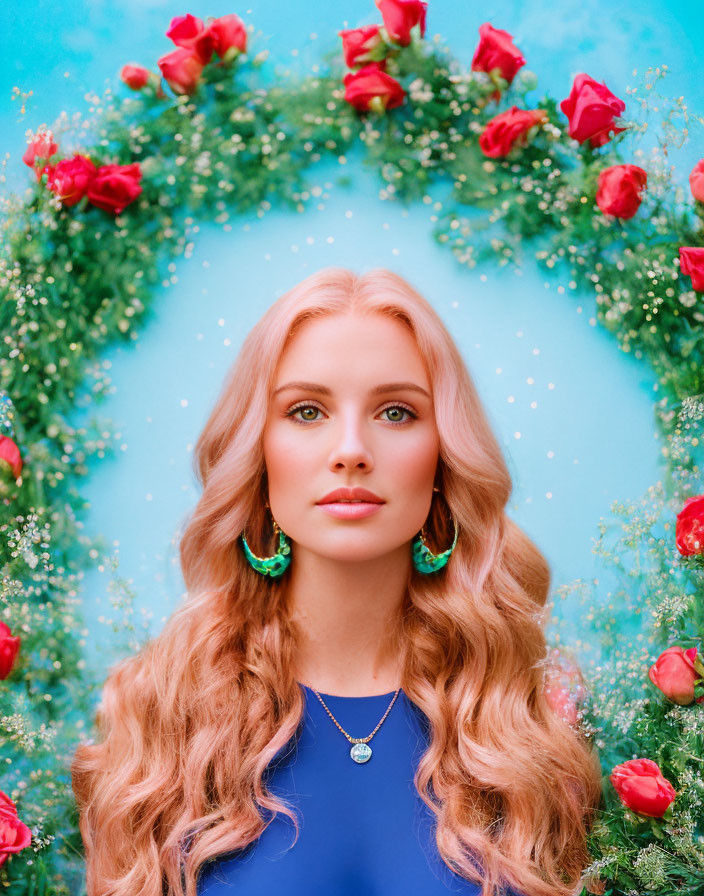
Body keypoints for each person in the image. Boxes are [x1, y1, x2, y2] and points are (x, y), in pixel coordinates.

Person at [71, 266, 603, 896]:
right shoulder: (165, 712)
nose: (351, 449)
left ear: (444, 457)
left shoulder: (521, 712)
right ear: (257, 453)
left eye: (397, 412)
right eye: (306, 410)